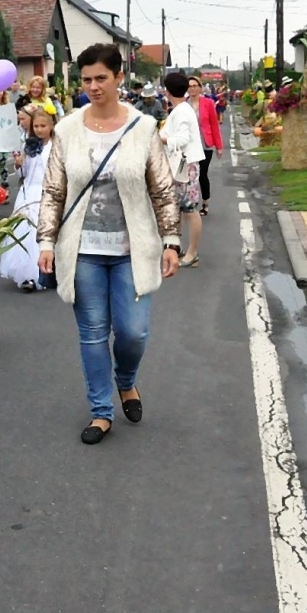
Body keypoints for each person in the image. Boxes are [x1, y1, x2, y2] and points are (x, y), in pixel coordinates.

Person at [37, 43, 181, 445]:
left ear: (119, 77)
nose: (93, 87)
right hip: (82, 250)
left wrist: (171, 240)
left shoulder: (143, 128)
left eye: (101, 78)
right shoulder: (66, 129)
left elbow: (163, 190)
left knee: (133, 333)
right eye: (86, 80)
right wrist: (46, 240)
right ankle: (101, 411)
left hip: (133, 251)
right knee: (93, 334)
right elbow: (53, 191)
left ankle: (126, 380)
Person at [0, 106, 56, 291]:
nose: (39, 130)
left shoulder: (57, 145)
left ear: (51, 125)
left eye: (43, 126)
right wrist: (19, 165)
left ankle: (49, 271)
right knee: (27, 233)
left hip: (49, 192)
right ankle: (28, 274)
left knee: (45, 233)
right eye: (36, 126)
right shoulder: (29, 145)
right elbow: (24, 172)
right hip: (29, 192)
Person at [162, 71, 206, 267]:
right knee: (180, 208)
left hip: (185, 165)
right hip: (180, 165)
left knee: (189, 209)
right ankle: (177, 247)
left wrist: (161, 139)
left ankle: (192, 252)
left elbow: (182, 139)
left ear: (167, 91)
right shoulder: (180, 110)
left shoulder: (181, 112)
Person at [189, 75, 225, 216]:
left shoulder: (208, 103)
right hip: (190, 145)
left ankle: (205, 203)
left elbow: (214, 125)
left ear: (200, 87)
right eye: (190, 86)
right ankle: (192, 201)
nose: (192, 88)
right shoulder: (184, 104)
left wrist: (219, 146)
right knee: (190, 175)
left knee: (202, 174)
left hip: (205, 144)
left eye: (194, 86)